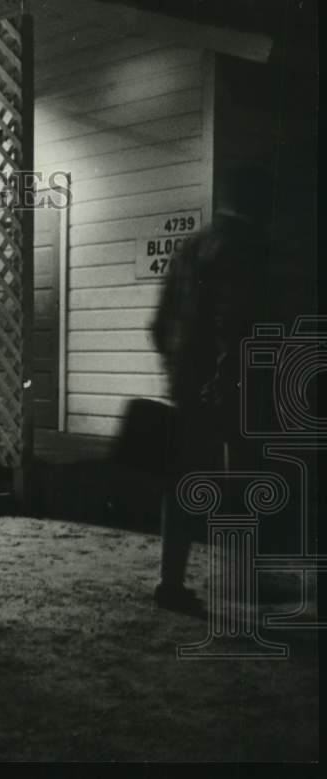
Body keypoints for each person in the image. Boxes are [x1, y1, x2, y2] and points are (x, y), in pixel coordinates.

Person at [150, 164, 271, 615]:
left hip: (185, 382)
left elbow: (159, 324)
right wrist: (224, 373)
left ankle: (171, 581)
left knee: (181, 481)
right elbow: (232, 317)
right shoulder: (242, 247)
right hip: (227, 381)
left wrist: (177, 370)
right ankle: (241, 581)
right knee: (242, 478)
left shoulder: (189, 248)